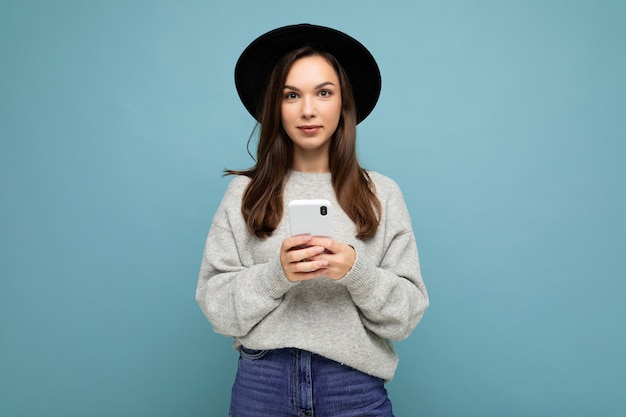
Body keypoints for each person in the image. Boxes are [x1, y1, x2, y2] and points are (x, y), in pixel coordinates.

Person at [196, 23, 429, 417]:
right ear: (276, 105)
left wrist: (356, 272)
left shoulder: (382, 193)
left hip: (353, 386)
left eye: (324, 92)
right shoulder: (243, 193)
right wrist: (277, 274)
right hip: (262, 385)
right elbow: (216, 307)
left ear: (343, 103)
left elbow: (405, 318)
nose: (308, 109)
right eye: (292, 95)